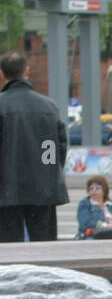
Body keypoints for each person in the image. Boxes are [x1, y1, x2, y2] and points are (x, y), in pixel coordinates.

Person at [0, 51, 69, 241]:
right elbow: (57, 146)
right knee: (44, 247)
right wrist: (48, 171)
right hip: (43, 189)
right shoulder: (49, 106)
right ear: (26, 72)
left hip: (5, 191)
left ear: (2, 74)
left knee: (8, 251)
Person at [75, 175, 112, 239]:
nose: (94, 190)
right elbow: (85, 224)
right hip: (91, 235)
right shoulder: (85, 204)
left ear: (104, 189)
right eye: (91, 188)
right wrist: (106, 226)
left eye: (98, 188)